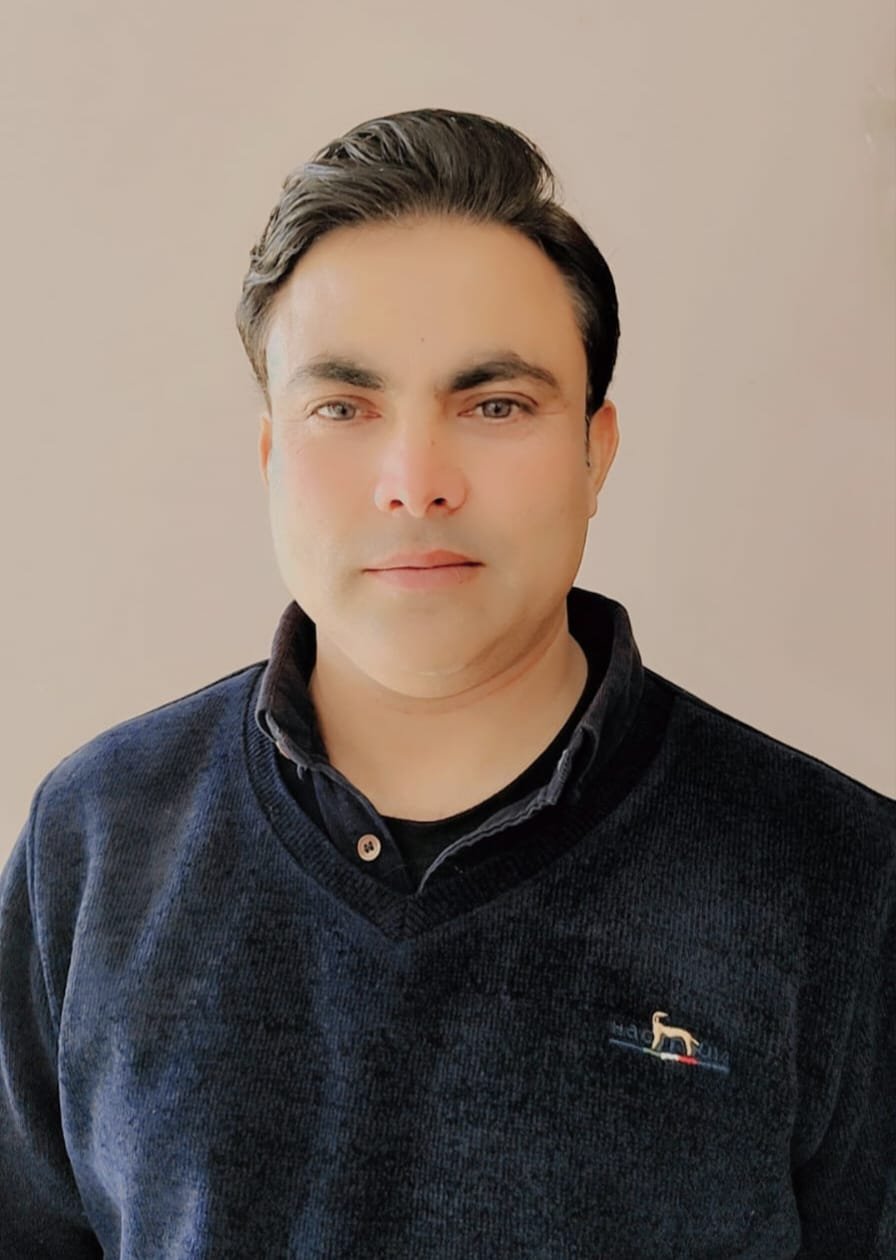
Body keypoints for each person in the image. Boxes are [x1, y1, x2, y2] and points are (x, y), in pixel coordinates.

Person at [0, 107, 892, 1259]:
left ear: (594, 452)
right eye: (343, 407)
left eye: (494, 405)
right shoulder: (97, 837)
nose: (414, 480)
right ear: (272, 455)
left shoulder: (840, 879)